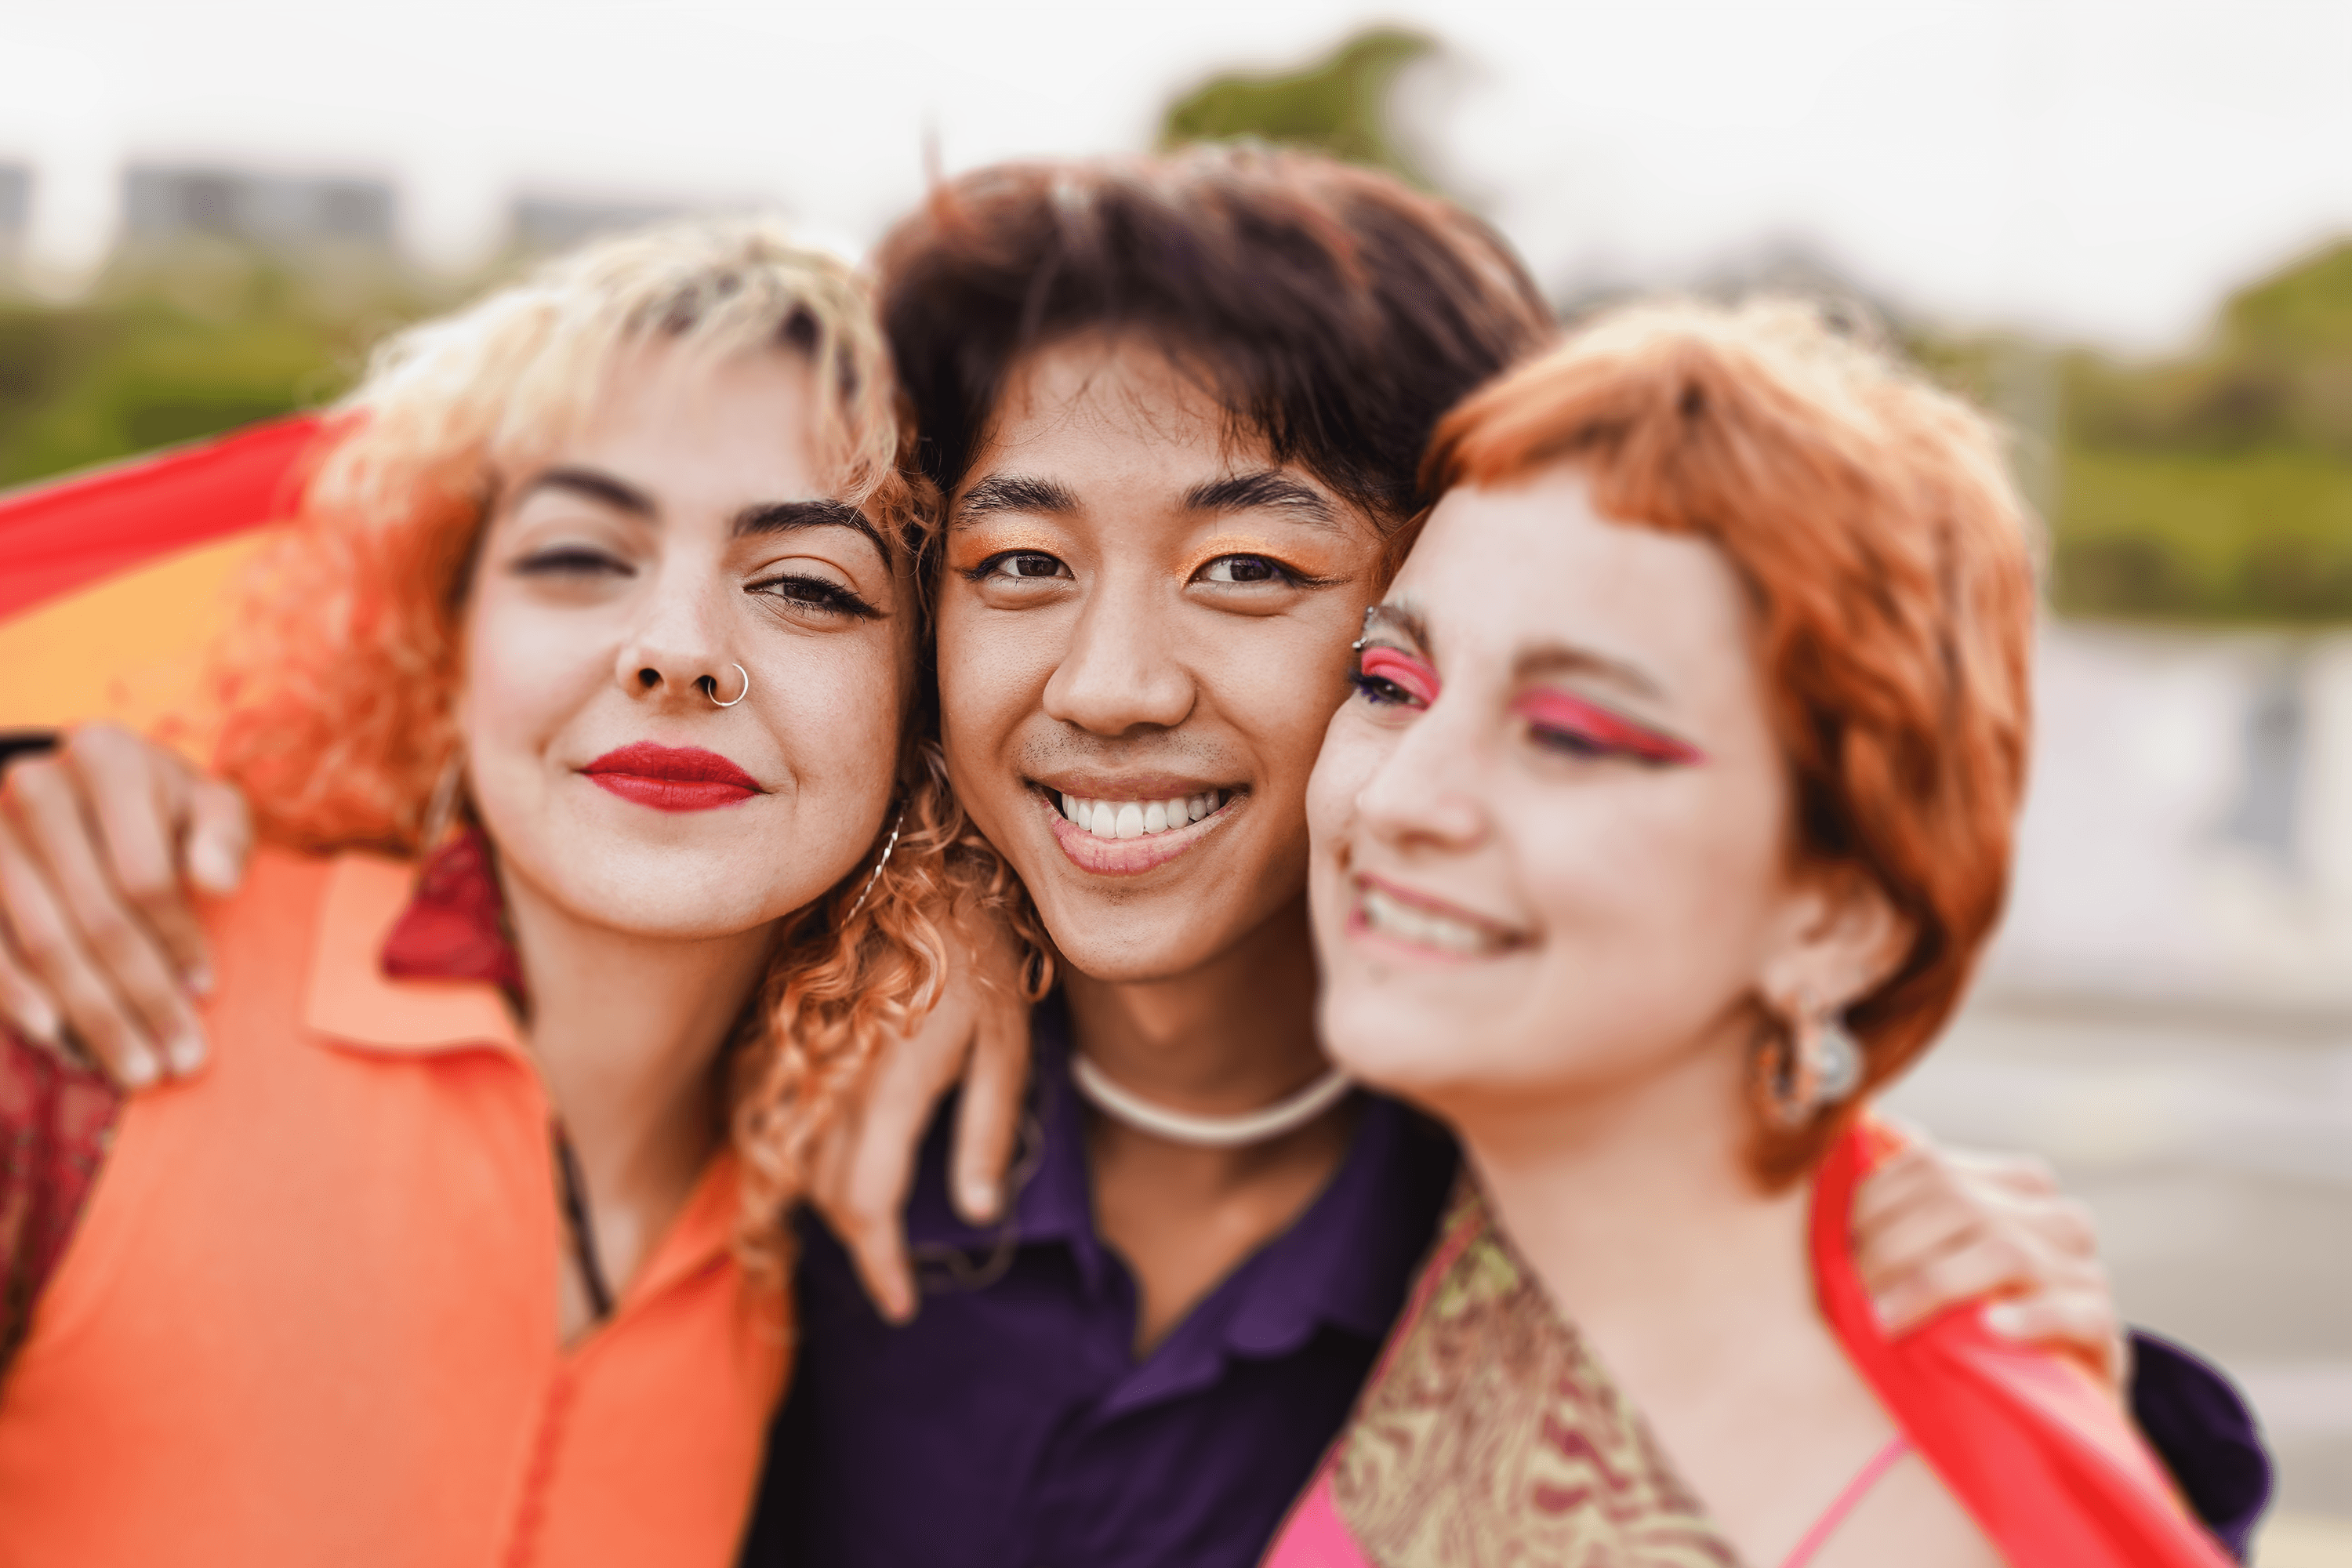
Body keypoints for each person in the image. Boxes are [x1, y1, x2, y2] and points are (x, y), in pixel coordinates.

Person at [0, 152, 2263, 1568]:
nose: (1106, 684)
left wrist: (1940, 1303)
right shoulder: (804, 1085)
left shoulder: (1567, 1238)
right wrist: (44, 772)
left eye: (1255, 578)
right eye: (1012, 565)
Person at [0, 219, 1004, 1566]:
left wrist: (985, 905)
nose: (677, 653)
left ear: (926, 703)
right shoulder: (81, 1000)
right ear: (446, 627)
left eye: (809, 587)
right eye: (583, 557)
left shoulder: (851, 1220)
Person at [1269, 298, 2237, 1567]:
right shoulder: (1509, 1219)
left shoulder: (1915, 1517)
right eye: (1391, 688)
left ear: (1840, 916)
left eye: (1571, 735)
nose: (1398, 803)